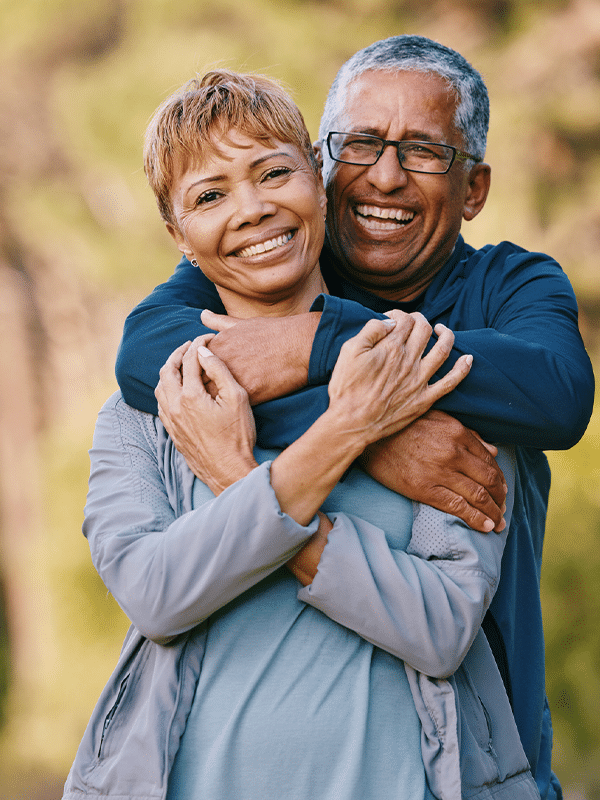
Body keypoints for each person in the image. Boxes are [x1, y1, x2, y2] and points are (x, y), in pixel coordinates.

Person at [114, 37, 595, 800]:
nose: (385, 175)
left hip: (473, 756)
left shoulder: (510, 286)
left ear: (474, 189)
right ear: (322, 162)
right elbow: (145, 355)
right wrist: (374, 433)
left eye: (425, 151)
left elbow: (558, 396)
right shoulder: (271, 266)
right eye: (361, 144)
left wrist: (314, 345)